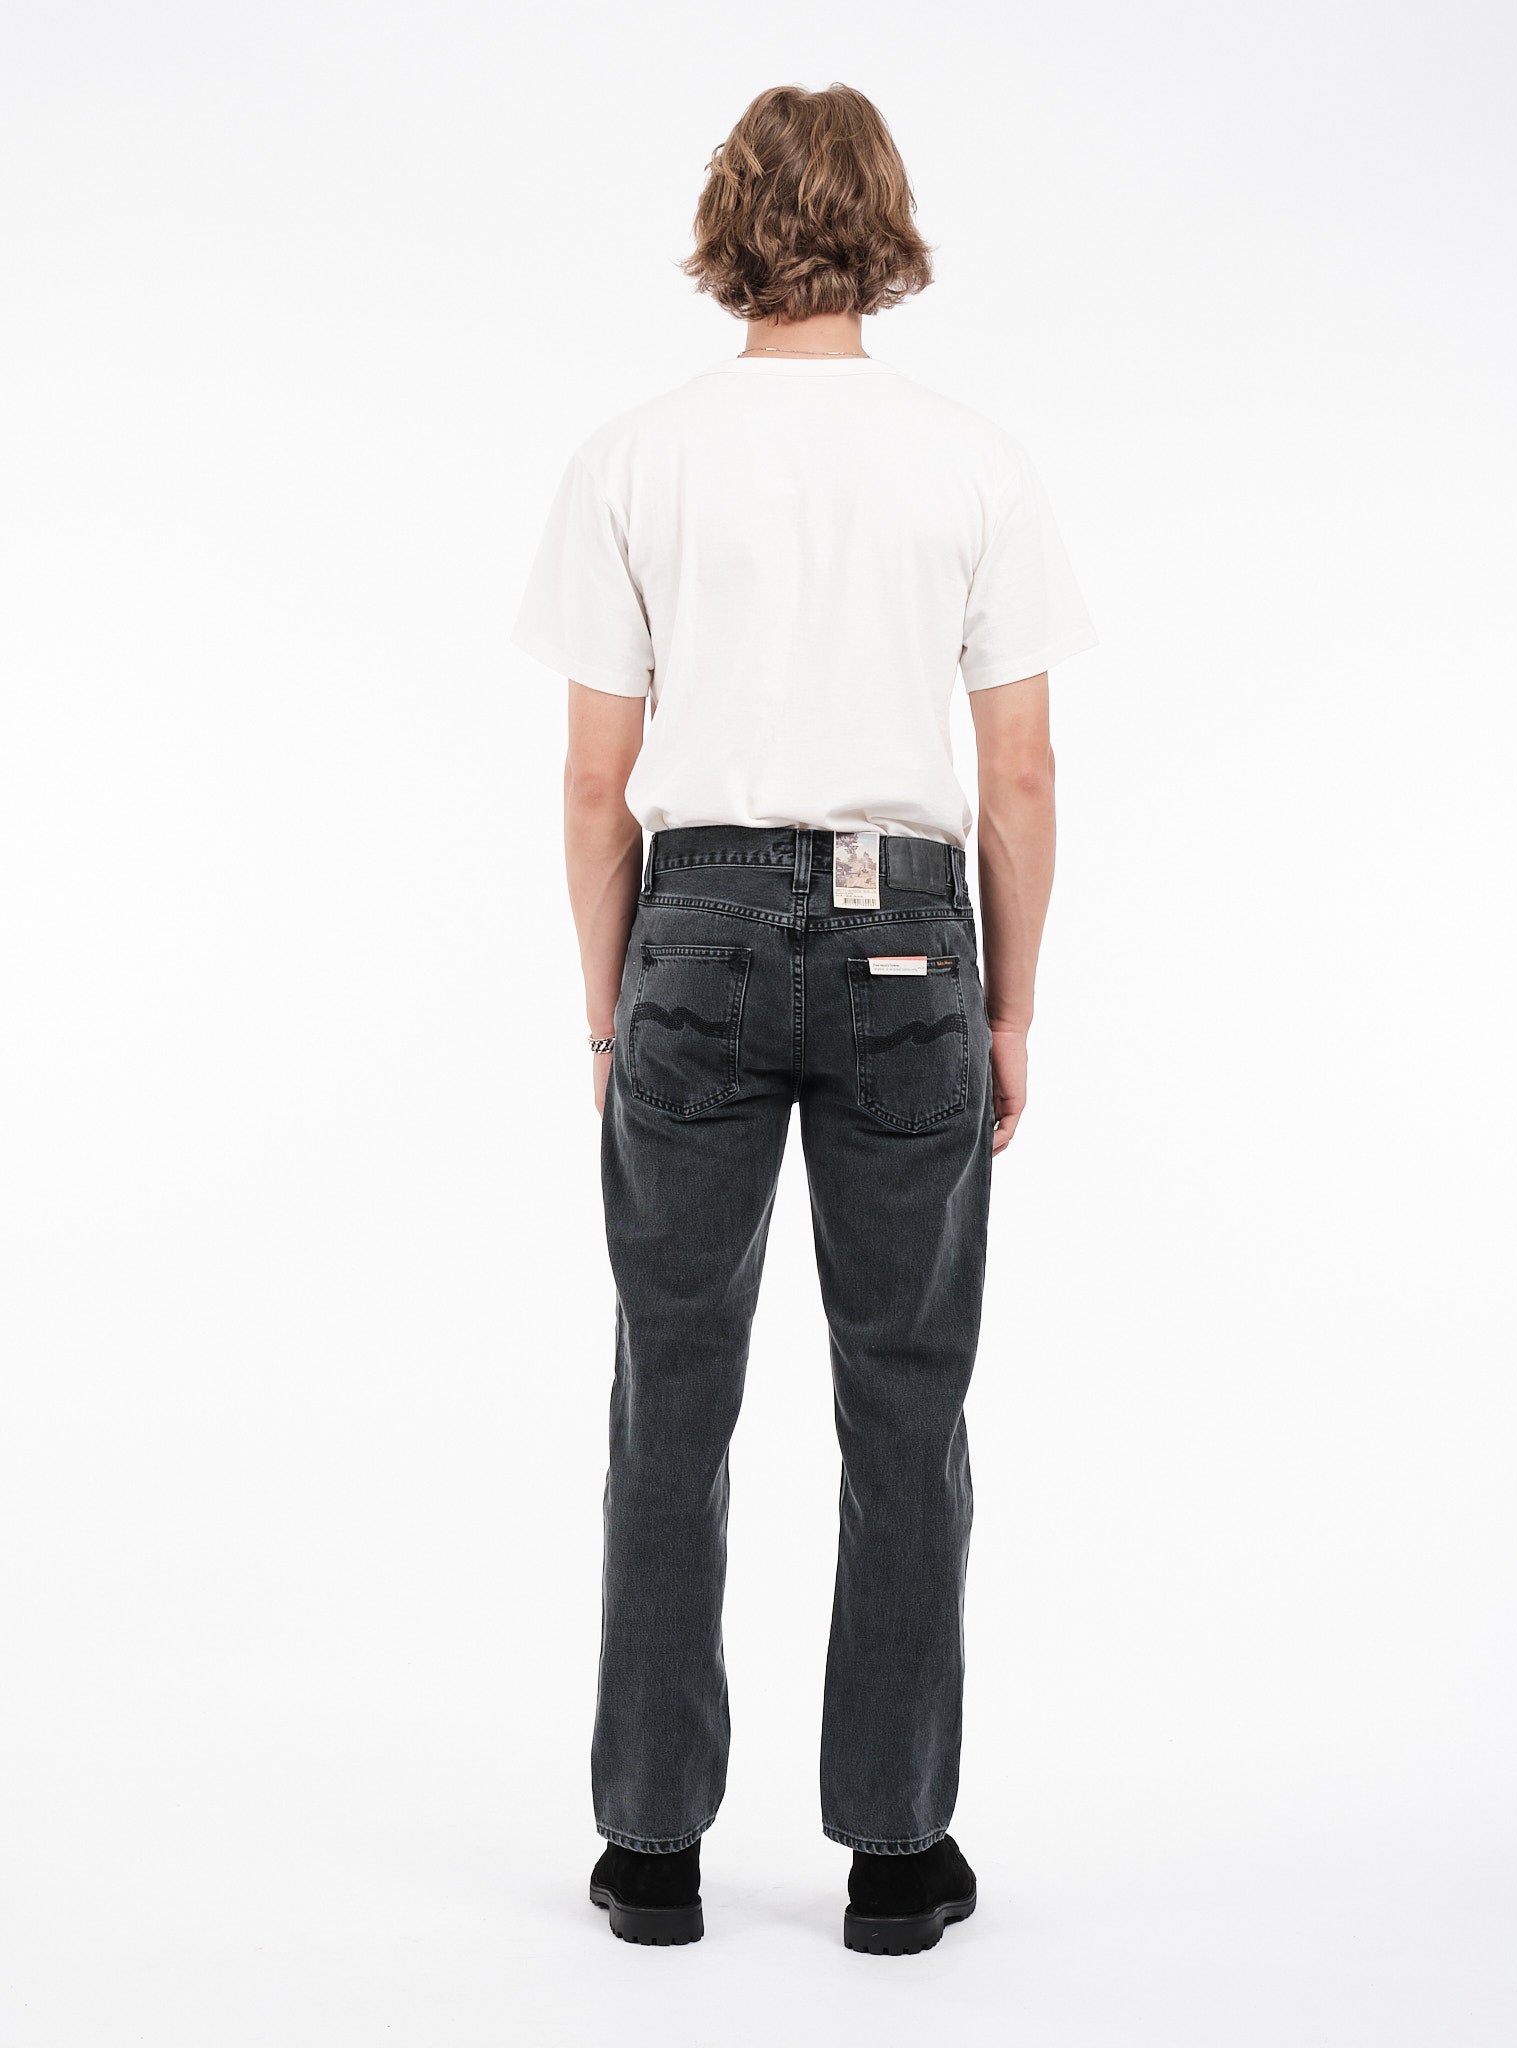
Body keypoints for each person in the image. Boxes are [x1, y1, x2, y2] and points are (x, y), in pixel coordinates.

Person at [510, 82, 1097, 1955]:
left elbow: (594, 785)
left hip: (687, 933)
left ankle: (650, 1852)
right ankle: (895, 1861)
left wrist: (607, 1012)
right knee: (903, 1402)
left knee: (667, 1392)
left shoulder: (636, 456)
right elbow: (1018, 778)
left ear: (728, 223)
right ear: (886, 224)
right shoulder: (968, 461)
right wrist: (1012, 1009)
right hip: (912, 944)